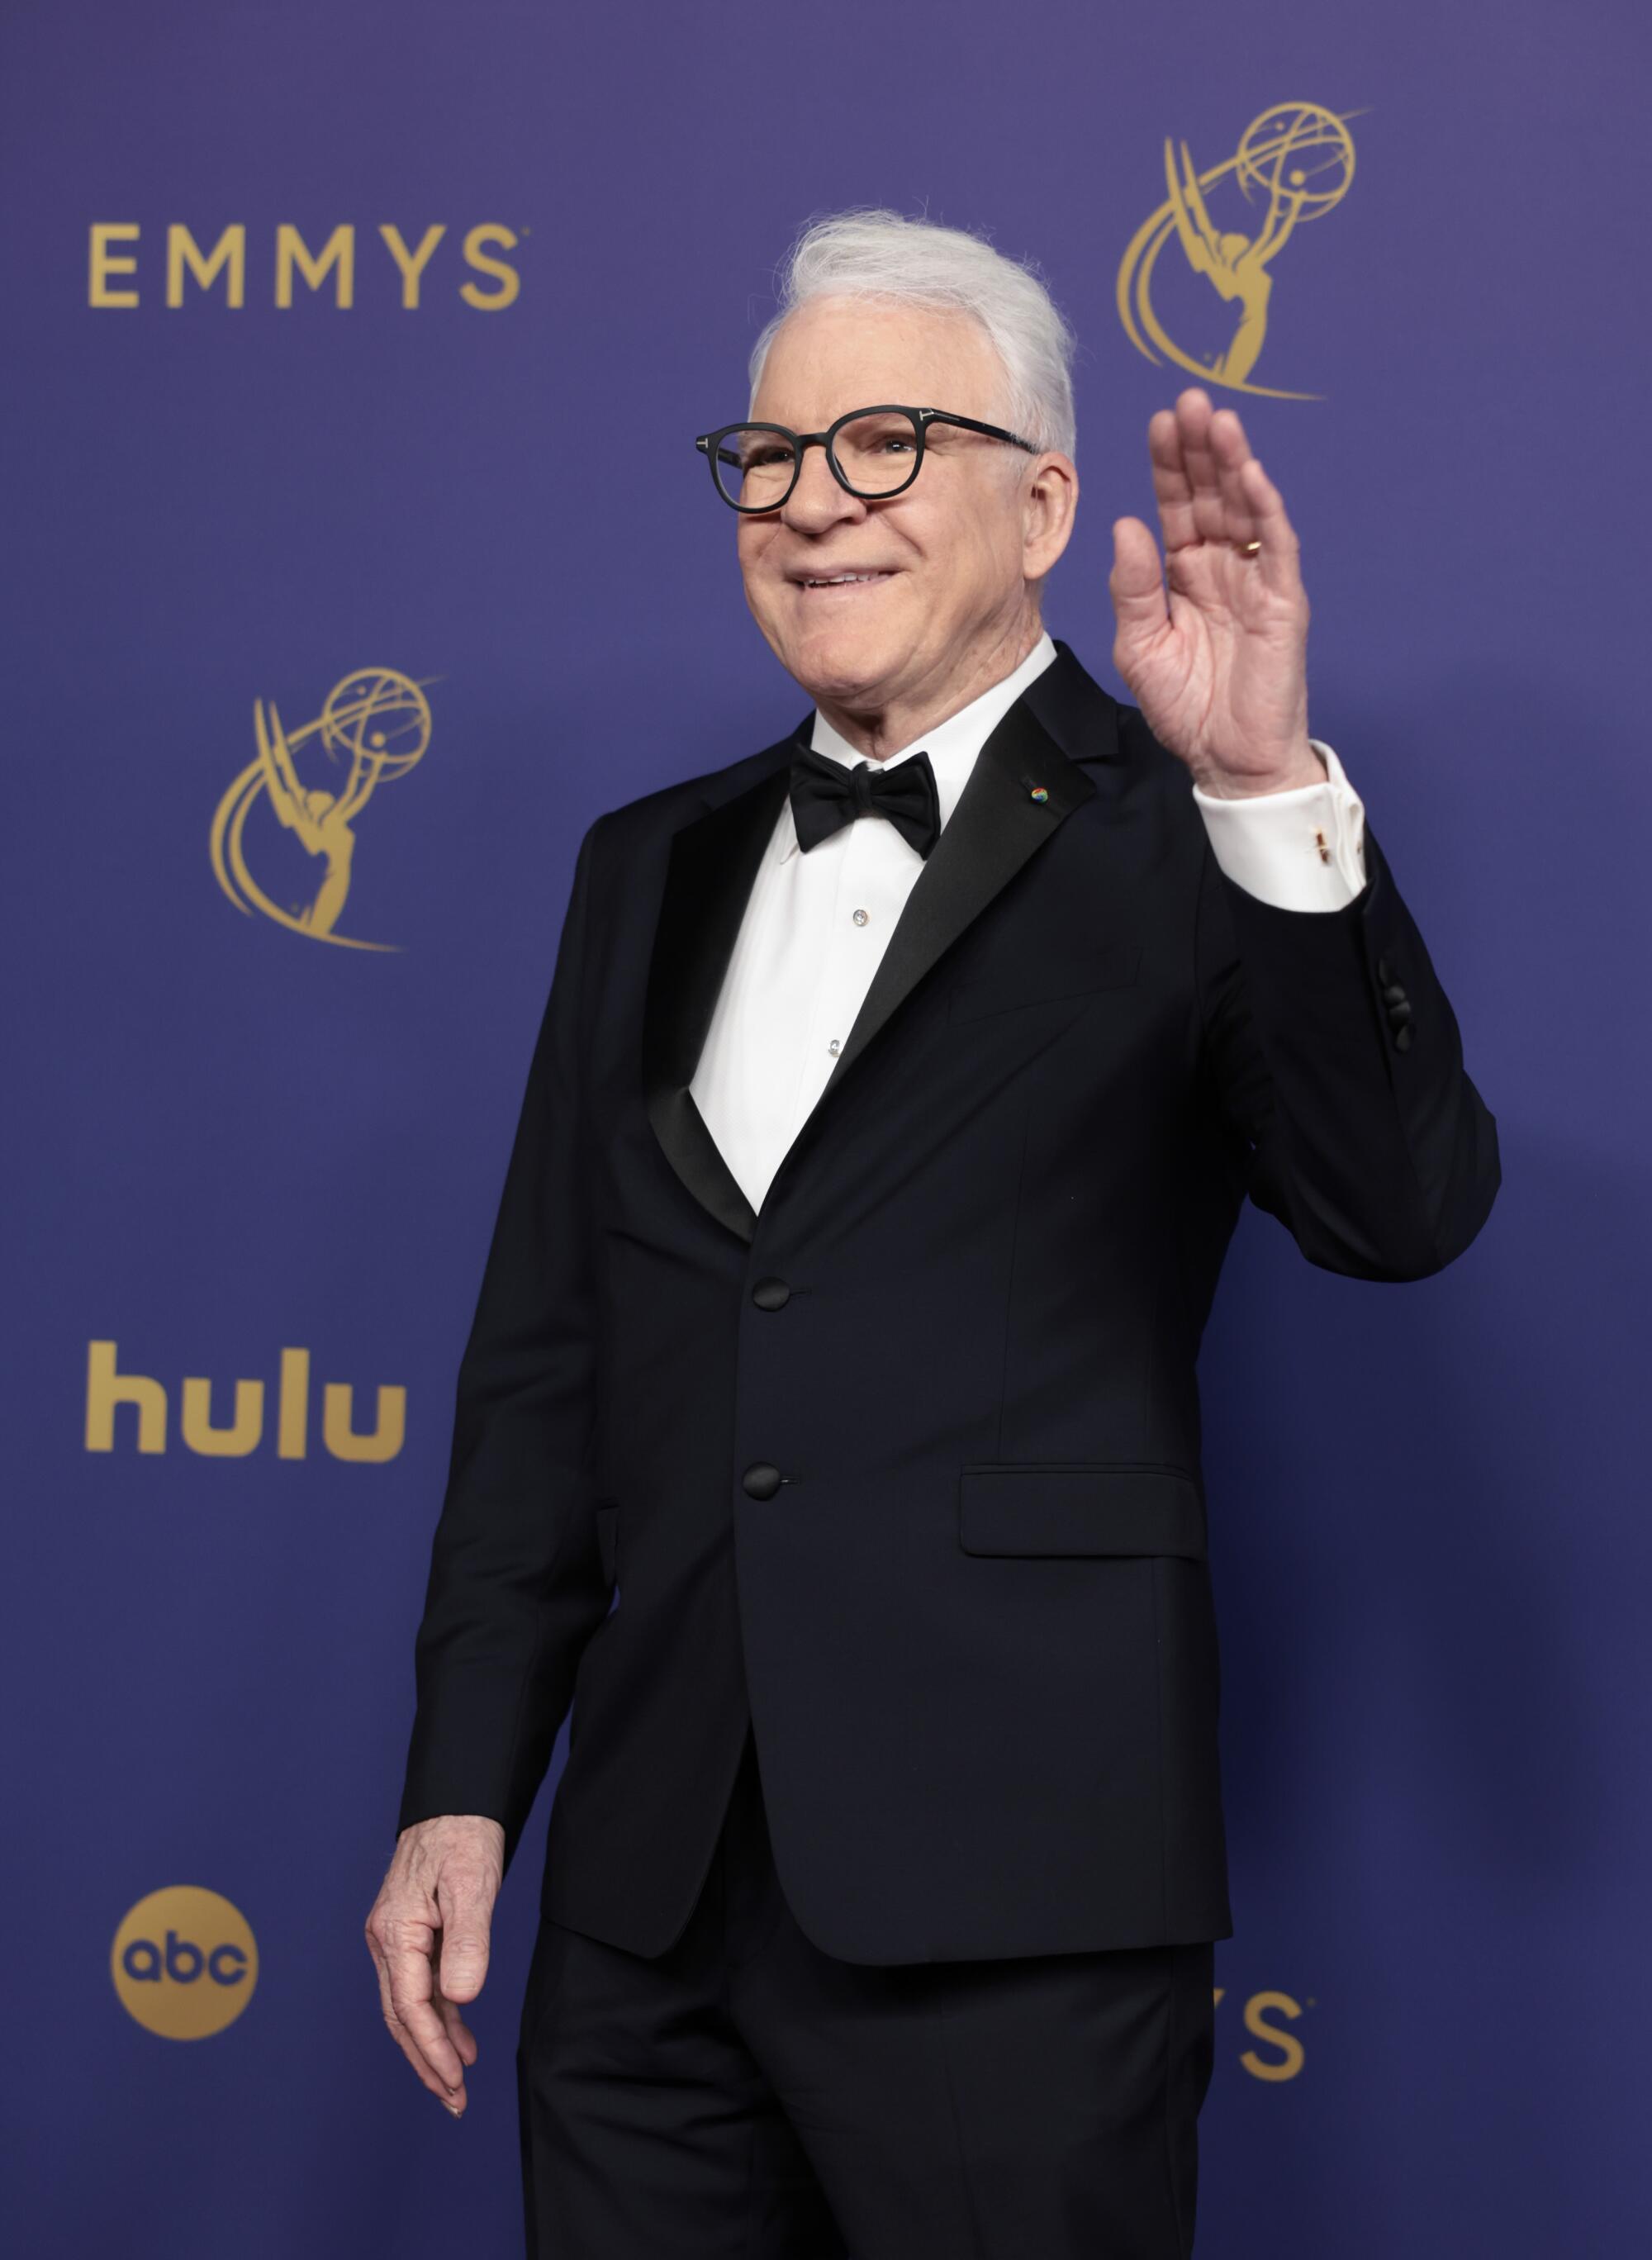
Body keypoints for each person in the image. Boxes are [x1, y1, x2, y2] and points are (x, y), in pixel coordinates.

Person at [365, 208, 1499, 2258]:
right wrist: (463, 1791)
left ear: (1045, 498)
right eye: (772, 457)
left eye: (884, 445)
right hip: (641, 1905)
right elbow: (541, 1364)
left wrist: (1261, 790)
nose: (812, 508)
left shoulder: (1197, 829)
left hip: (1016, 1896)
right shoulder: (649, 864)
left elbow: (1401, 1212)